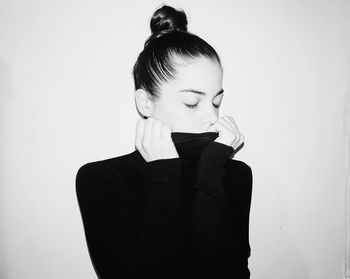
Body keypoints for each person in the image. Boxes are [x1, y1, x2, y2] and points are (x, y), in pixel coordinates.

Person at [75, 4, 253, 279]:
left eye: (216, 102)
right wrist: (165, 175)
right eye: (192, 102)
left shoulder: (233, 175)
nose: (212, 118)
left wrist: (210, 171)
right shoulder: (101, 179)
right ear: (145, 103)